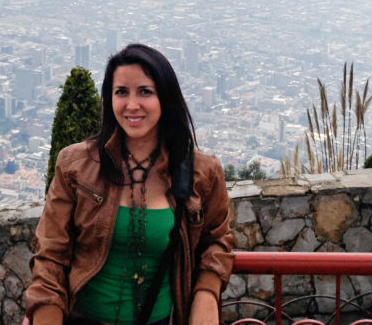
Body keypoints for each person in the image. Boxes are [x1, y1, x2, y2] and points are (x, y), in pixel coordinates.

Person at [25, 43, 233, 325]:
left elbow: (216, 240)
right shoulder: (76, 165)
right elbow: (51, 255)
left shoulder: (201, 172)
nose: (132, 105)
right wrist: (45, 316)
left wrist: (206, 294)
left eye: (145, 92)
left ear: (165, 98)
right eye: (121, 92)